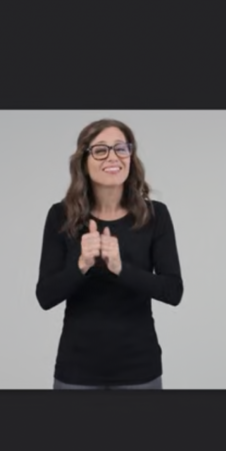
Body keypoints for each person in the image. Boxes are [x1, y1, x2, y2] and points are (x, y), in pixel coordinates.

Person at [35, 118, 183, 390]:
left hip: (140, 371)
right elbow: (45, 296)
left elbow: (173, 291)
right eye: (101, 149)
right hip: (76, 372)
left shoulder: (156, 215)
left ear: (130, 156)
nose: (112, 157)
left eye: (121, 148)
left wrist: (120, 268)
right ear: (84, 160)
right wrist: (81, 265)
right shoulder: (60, 216)